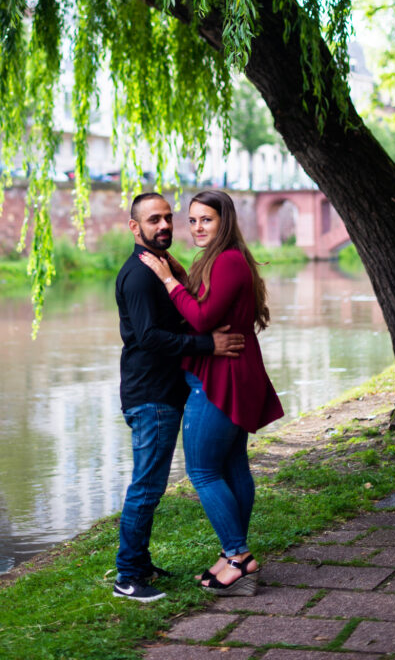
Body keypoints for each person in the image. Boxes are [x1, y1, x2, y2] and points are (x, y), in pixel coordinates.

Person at [140, 189, 283, 597]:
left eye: (207, 219)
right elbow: (208, 300)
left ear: (225, 222)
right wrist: (182, 274)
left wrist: (168, 280)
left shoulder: (228, 262)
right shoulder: (223, 260)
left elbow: (201, 318)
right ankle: (232, 553)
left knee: (203, 471)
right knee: (233, 462)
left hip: (219, 378)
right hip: (231, 373)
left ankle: (238, 557)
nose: (198, 227)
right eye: (193, 220)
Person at [113, 192, 246, 602]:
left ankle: (138, 561)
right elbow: (150, 338)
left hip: (165, 392)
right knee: (147, 487)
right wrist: (209, 345)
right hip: (150, 396)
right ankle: (128, 576)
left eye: (169, 218)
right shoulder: (139, 274)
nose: (165, 226)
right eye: (154, 220)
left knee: (150, 485)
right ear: (135, 228)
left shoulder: (162, 267)